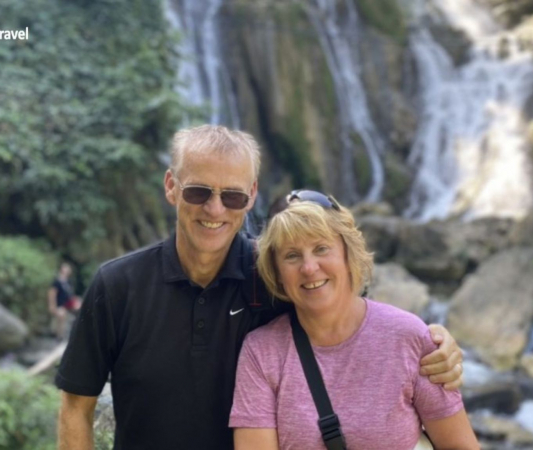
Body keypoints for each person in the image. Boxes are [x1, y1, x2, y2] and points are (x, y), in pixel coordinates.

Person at [56, 125, 465, 450]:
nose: (214, 209)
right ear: (171, 186)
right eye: (199, 191)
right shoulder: (118, 285)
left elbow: (354, 319)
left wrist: (436, 340)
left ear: (251, 196)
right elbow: (76, 406)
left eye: (232, 196)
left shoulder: (276, 275)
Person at [230, 192, 480, 450]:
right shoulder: (261, 352)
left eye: (321, 248)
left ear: (348, 254)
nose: (308, 267)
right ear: (278, 273)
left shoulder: (409, 337)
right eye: (292, 255)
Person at [48, 262, 81, 339]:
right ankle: (60, 336)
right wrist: (52, 306)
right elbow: (52, 294)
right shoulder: (57, 282)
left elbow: (70, 295)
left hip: (68, 304)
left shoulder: (68, 282)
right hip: (60, 304)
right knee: (62, 315)